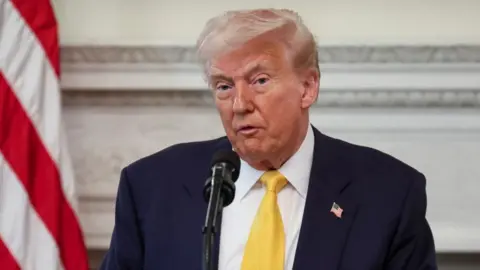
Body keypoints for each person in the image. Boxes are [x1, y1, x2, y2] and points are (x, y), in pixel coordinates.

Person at [100, 8, 438, 270]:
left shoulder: (389, 193)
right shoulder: (151, 187)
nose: (240, 104)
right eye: (223, 86)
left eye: (259, 80)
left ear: (308, 86)